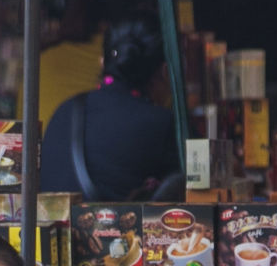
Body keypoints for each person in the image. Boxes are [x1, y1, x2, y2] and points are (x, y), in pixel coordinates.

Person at [43, 18, 183, 199]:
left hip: (49, 226)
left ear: (102, 63)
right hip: (108, 227)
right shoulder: (161, 123)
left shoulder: (65, 110)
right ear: (165, 72)